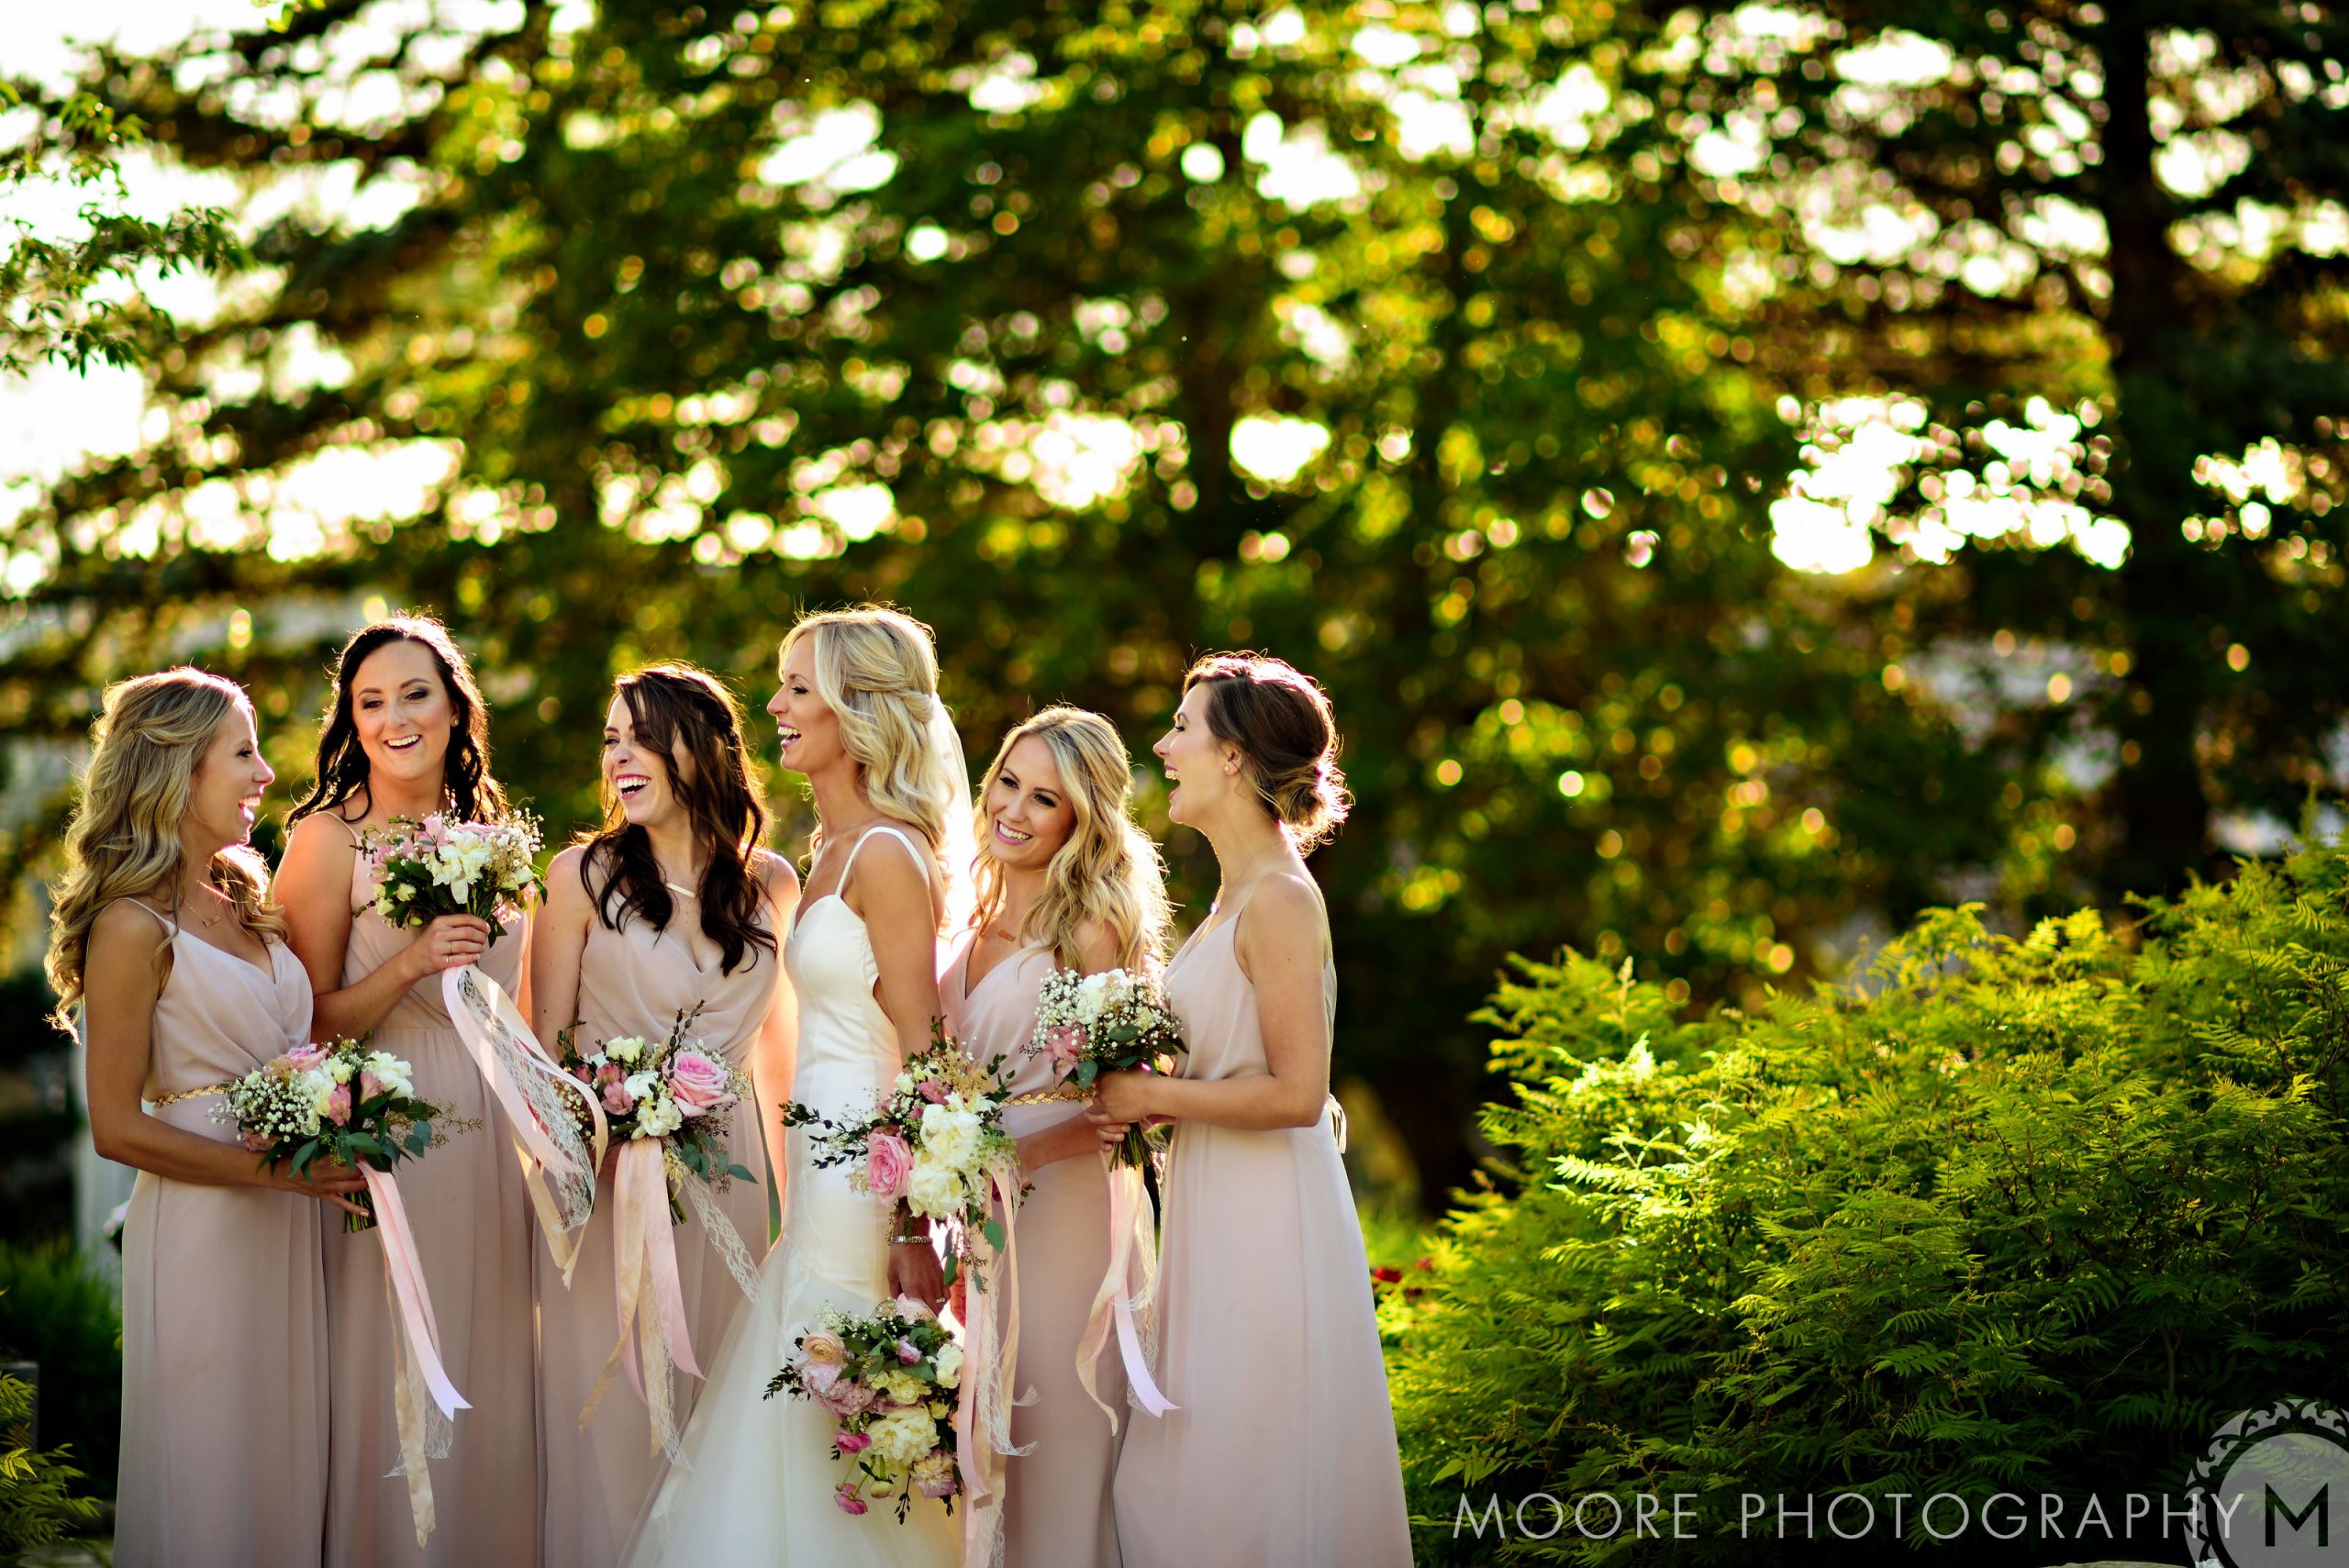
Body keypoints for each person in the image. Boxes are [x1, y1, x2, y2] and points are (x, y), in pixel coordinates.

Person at [625, 605, 971, 1568]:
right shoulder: (831, 849)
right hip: (818, 1169)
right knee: (811, 1394)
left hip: (865, 1177)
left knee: (841, 1386)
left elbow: (923, 1049)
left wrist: (909, 1227)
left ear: (855, 708)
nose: (773, 703)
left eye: (796, 686)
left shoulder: (889, 855)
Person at [1095, 653, 1411, 1567]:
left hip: (1266, 1209)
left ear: (1232, 757)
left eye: (1182, 727)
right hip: (1219, 1194)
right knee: (1193, 1456)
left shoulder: (1277, 897)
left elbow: (1297, 1090)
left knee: (1245, 1450)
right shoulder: (1235, 893)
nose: (1163, 745)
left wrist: (1151, 1093)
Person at [50, 668, 367, 1567]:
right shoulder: (131, 923)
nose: (266, 770)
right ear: (179, 769)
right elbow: (115, 1125)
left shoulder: (243, 891)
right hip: (205, 1226)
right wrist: (277, 1172)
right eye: (243, 751)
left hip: (290, 1222)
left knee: (285, 1459)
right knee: (213, 1472)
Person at [276, 616, 540, 1564]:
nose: (394, 717)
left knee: (495, 1368)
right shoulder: (325, 838)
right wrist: (409, 965)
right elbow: (301, 1024)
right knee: (395, 1369)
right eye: (370, 700)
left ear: (454, 704)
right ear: (351, 719)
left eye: (414, 693)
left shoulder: (498, 842)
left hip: (493, 1144)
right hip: (390, 1138)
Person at [531, 664, 798, 1566]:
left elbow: (781, 1064)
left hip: (730, 1177)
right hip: (609, 1183)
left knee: (720, 1407)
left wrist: (800, 1221)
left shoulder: (773, 883)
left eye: (641, 736)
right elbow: (541, 1054)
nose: (620, 756)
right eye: (611, 739)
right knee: (612, 1418)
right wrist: (599, 1128)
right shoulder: (580, 875)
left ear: (704, 748)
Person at [941, 706, 1171, 1567]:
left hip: (1064, 1208)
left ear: (1082, 819)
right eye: (1009, 781)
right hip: (973, 1213)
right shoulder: (968, 911)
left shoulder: (1089, 931)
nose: (1015, 809)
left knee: (1057, 1431)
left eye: (1046, 798)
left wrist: (1020, 1152)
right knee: (987, 1440)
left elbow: (1130, 1103)